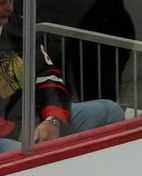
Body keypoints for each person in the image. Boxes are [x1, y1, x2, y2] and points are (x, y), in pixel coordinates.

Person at [0, 0, 124, 154]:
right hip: (7, 135)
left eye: (10, 0)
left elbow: (47, 75)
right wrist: (24, 133)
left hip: (32, 119)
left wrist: (53, 119)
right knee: (29, 155)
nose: (9, 8)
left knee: (110, 111)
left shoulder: (17, 26)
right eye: (1, 3)